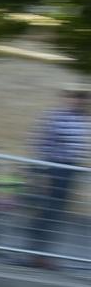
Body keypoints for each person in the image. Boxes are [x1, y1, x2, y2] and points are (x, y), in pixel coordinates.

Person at [25, 87, 88, 268]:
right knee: (44, 213)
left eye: (83, 98)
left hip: (70, 171)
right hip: (53, 168)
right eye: (75, 97)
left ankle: (44, 255)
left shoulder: (85, 120)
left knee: (57, 215)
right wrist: (43, 171)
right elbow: (40, 141)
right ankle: (35, 254)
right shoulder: (56, 116)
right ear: (67, 98)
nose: (79, 101)